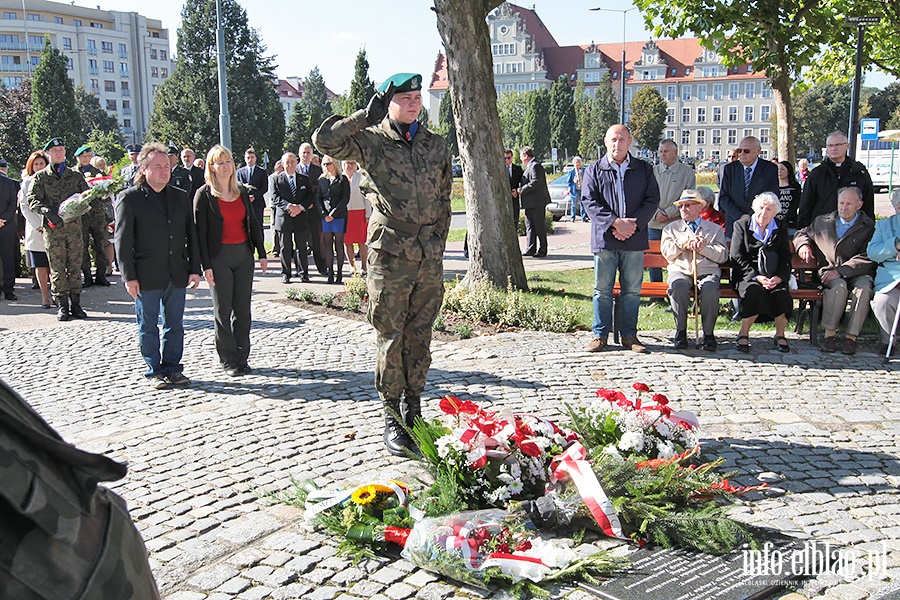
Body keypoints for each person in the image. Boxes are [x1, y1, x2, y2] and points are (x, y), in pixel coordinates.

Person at [313, 71, 452, 456]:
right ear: (387, 102)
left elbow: (444, 198)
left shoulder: (435, 145)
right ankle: (391, 415)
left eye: (417, 96)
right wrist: (362, 116)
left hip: (427, 254)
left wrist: (438, 241)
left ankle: (414, 408)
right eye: (404, 97)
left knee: (420, 333)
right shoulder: (371, 141)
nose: (413, 102)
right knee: (390, 334)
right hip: (390, 253)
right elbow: (324, 140)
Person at [115, 142, 201, 389]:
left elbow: (190, 235)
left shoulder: (180, 196)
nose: (164, 171)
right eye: (158, 167)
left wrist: (194, 268)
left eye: (167, 166)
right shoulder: (129, 198)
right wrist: (128, 276)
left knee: (175, 325)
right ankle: (154, 370)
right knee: (148, 325)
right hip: (145, 275)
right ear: (144, 169)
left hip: (176, 272)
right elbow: (122, 240)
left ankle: (173, 368)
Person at [582, 124, 660, 354]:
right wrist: (615, 223)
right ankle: (600, 335)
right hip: (605, 239)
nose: (617, 144)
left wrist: (631, 225)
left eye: (622, 139)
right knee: (602, 290)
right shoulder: (594, 170)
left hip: (634, 239)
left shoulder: (643, 169)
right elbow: (589, 201)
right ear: (606, 142)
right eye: (613, 139)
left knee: (632, 290)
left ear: (630, 142)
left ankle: (629, 335)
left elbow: (652, 199)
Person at [194, 145, 268, 376]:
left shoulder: (242, 191)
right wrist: (205, 265)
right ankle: (228, 360)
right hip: (219, 258)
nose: (225, 166)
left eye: (228, 161)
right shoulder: (204, 195)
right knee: (223, 310)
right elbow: (199, 234)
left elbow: (253, 223)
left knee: (243, 310)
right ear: (212, 168)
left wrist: (261, 252)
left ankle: (242, 357)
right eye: (220, 162)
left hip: (243, 255)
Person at [793, 186, 875, 355]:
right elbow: (802, 233)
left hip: (857, 272)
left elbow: (868, 256)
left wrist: (842, 270)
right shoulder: (823, 221)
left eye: (849, 204)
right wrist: (803, 245)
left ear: (859, 205)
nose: (844, 207)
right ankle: (830, 335)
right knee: (838, 287)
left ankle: (851, 338)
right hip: (829, 271)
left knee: (864, 288)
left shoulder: (867, 226)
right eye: (841, 203)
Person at [28, 137, 90, 321]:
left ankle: (76, 304)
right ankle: (62, 305)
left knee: (74, 266)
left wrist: (81, 205)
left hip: (73, 229)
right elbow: (32, 200)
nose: (58, 153)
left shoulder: (75, 175)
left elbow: (87, 196)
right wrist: (46, 211)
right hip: (54, 229)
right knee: (57, 268)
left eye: (61, 150)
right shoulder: (41, 177)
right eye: (55, 151)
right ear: (49, 153)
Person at [660, 190, 728, 351]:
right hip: (680, 270)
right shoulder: (671, 229)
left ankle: (709, 334)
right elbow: (668, 253)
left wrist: (703, 247)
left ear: (699, 207)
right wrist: (684, 242)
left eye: (688, 205)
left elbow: (722, 255)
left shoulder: (714, 229)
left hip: (707, 271)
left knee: (710, 289)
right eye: (681, 206)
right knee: (678, 287)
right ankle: (681, 332)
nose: (683, 209)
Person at [730, 192, 793, 353]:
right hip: (746, 274)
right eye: (761, 208)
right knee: (754, 291)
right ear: (754, 208)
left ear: (775, 212)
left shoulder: (780, 226)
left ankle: (780, 334)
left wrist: (779, 277)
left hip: (773, 273)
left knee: (780, 292)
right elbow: (736, 257)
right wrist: (757, 277)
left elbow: (786, 256)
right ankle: (743, 332)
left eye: (769, 209)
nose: (764, 213)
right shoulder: (741, 225)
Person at [797, 131, 875, 230]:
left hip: (854, 231)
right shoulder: (817, 173)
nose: (833, 148)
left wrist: (869, 229)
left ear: (847, 146)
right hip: (822, 230)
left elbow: (868, 204)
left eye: (838, 145)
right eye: (830, 145)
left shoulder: (859, 172)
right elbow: (806, 205)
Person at [650, 139, 696, 282]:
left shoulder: (687, 173)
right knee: (653, 259)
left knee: (678, 257)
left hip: (676, 224)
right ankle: (655, 295)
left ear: (675, 153)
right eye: (661, 151)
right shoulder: (652, 172)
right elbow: (645, 196)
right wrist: (656, 212)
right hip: (654, 223)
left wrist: (669, 213)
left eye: (666, 151)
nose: (662, 155)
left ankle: (676, 290)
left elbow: (688, 198)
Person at [718, 136, 779, 239]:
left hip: (760, 224)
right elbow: (724, 197)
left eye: (746, 151)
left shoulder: (770, 169)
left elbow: (772, 197)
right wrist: (740, 216)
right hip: (734, 223)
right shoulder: (729, 169)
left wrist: (752, 216)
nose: (741, 154)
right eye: (739, 150)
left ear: (758, 151)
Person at [271, 152, 314, 283]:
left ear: (296, 162)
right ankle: (286, 273)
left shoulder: (304, 178)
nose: (290, 165)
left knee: (302, 246)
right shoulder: (276, 179)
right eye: (287, 162)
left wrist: (300, 207)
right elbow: (275, 198)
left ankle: (303, 273)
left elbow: (310, 196)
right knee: (285, 247)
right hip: (284, 218)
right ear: (282, 164)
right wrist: (290, 207)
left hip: (300, 217)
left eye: (292, 162)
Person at [867, 190, 900, 356]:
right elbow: (872, 252)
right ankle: (889, 341)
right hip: (891, 279)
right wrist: (894, 246)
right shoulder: (884, 225)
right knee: (882, 302)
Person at [18, 152, 52, 307]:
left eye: (41, 163)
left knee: (54, 265)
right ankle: (45, 296)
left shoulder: (52, 180)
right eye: (36, 164)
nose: (39, 167)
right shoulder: (27, 182)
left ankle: (56, 294)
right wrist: (39, 224)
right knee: (40, 264)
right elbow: (25, 207)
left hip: (53, 227)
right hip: (36, 228)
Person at [316, 155, 350, 284]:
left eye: (328, 163)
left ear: (334, 164)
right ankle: (330, 272)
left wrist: (333, 214)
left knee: (339, 245)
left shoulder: (342, 179)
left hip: (339, 215)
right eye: (324, 164)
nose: (326, 166)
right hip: (325, 217)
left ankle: (340, 273)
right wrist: (324, 214)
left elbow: (345, 198)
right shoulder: (322, 180)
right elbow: (318, 198)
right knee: (327, 244)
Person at [298, 142, 327, 275]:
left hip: (314, 210)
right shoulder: (295, 169)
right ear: (299, 154)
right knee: (301, 242)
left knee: (317, 241)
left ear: (312, 155)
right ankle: (302, 270)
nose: (305, 155)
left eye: (308, 152)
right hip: (299, 212)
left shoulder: (318, 170)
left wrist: (312, 203)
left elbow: (321, 191)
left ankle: (322, 268)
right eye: (303, 152)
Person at [518, 146, 550, 257]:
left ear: (526, 156)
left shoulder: (536, 166)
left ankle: (542, 249)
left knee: (539, 226)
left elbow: (535, 182)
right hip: (529, 203)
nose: (521, 158)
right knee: (530, 226)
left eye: (521, 156)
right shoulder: (529, 167)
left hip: (537, 202)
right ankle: (531, 248)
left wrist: (522, 190)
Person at [343, 158, 372, 276]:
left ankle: (364, 266)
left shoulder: (361, 177)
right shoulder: (340, 177)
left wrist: (368, 214)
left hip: (360, 212)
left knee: (362, 241)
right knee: (347, 241)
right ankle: (352, 266)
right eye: (347, 163)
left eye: (352, 163)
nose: (350, 165)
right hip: (344, 214)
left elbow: (367, 197)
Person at [236, 147, 268, 239]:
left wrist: (254, 196)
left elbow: (264, 187)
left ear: (255, 158)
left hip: (257, 203)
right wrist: (246, 196)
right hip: (244, 203)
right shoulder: (239, 172)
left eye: (252, 157)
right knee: (245, 226)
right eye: (248, 157)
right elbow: (237, 186)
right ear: (245, 159)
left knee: (258, 226)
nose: (250, 159)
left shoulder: (262, 172)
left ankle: (261, 248)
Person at [0, 167, 17, 301]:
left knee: (8, 259)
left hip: (6, 226)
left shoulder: (8, 183)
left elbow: (13, 204)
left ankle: (8, 289)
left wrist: (3, 219)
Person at [777, 160, 802, 234]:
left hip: (790, 222)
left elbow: (796, 203)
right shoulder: (772, 185)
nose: (779, 171)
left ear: (788, 171)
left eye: (782, 169)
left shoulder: (795, 186)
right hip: (774, 222)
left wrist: (787, 218)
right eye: (778, 169)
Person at [265, 159, 284, 258]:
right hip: (274, 205)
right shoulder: (272, 178)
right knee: (274, 227)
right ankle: (275, 248)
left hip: (283, 205)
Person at [505, 149, 524, 226]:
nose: (507, 160)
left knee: (515, 220)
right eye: (505, 158)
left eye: (508, 158)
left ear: (512, 157)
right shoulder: (499, 169)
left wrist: (517, 190)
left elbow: (523, 182)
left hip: (514, 198)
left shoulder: (518, 169)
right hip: (504, 199)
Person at [567, 156, 587, 221]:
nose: (577, 164)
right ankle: (573, 217)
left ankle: (583, 218)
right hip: (574, 190)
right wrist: (569, 188)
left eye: (578, 162)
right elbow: (569, 181)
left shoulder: (584, 170)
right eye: (576, 162)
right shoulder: (572, 171)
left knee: (583, 204)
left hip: (583, 189)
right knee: (574, 205)